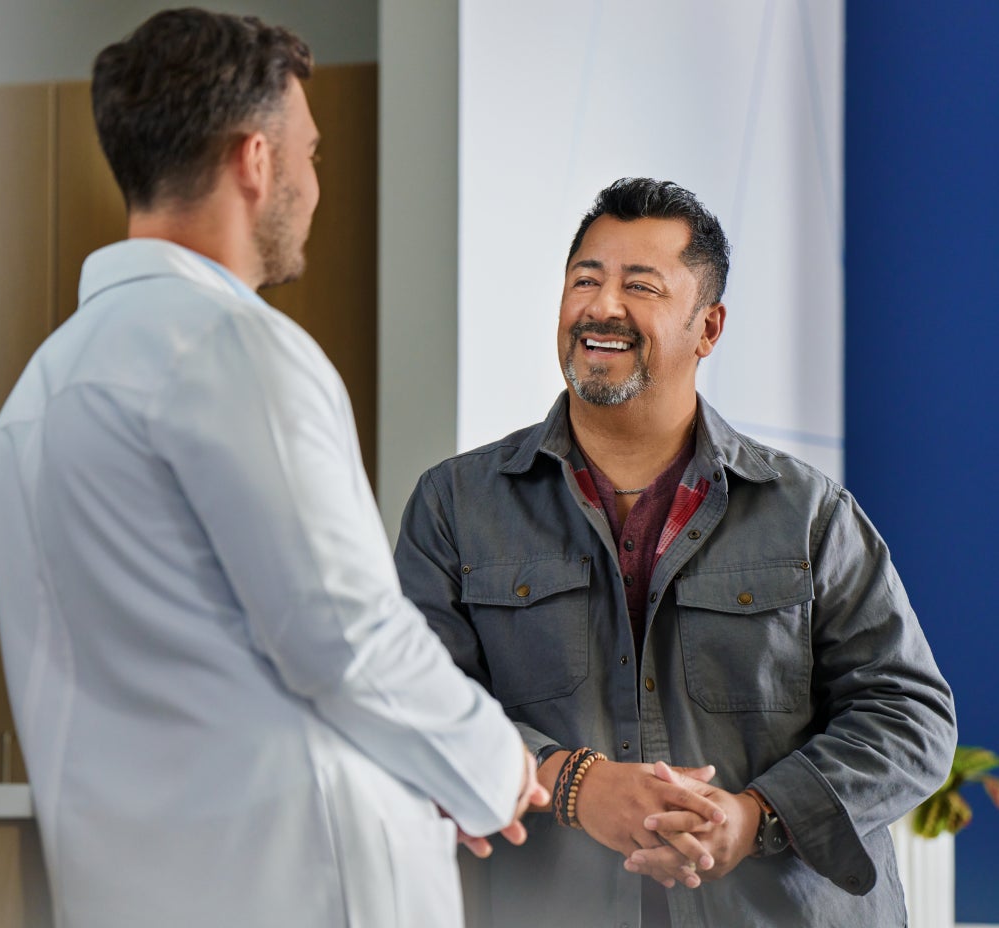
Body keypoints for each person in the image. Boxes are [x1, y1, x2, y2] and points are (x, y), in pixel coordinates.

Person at [0, 9, 545, 927]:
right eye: (309, 155)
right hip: (301, 892)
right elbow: (345, 638)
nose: (316, 185)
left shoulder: (30, 408)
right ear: (255, 160)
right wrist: (497, 766)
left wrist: (433, 770)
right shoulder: (230, 350)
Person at [393, 177, 957, 927]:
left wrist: (754, 817)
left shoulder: (807, 512)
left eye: (641, 286)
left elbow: (909, 714)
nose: (601, 308)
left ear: (709, 327)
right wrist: (573, 783)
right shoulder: (456, 507)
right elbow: (413, 702)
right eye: (585, 280)